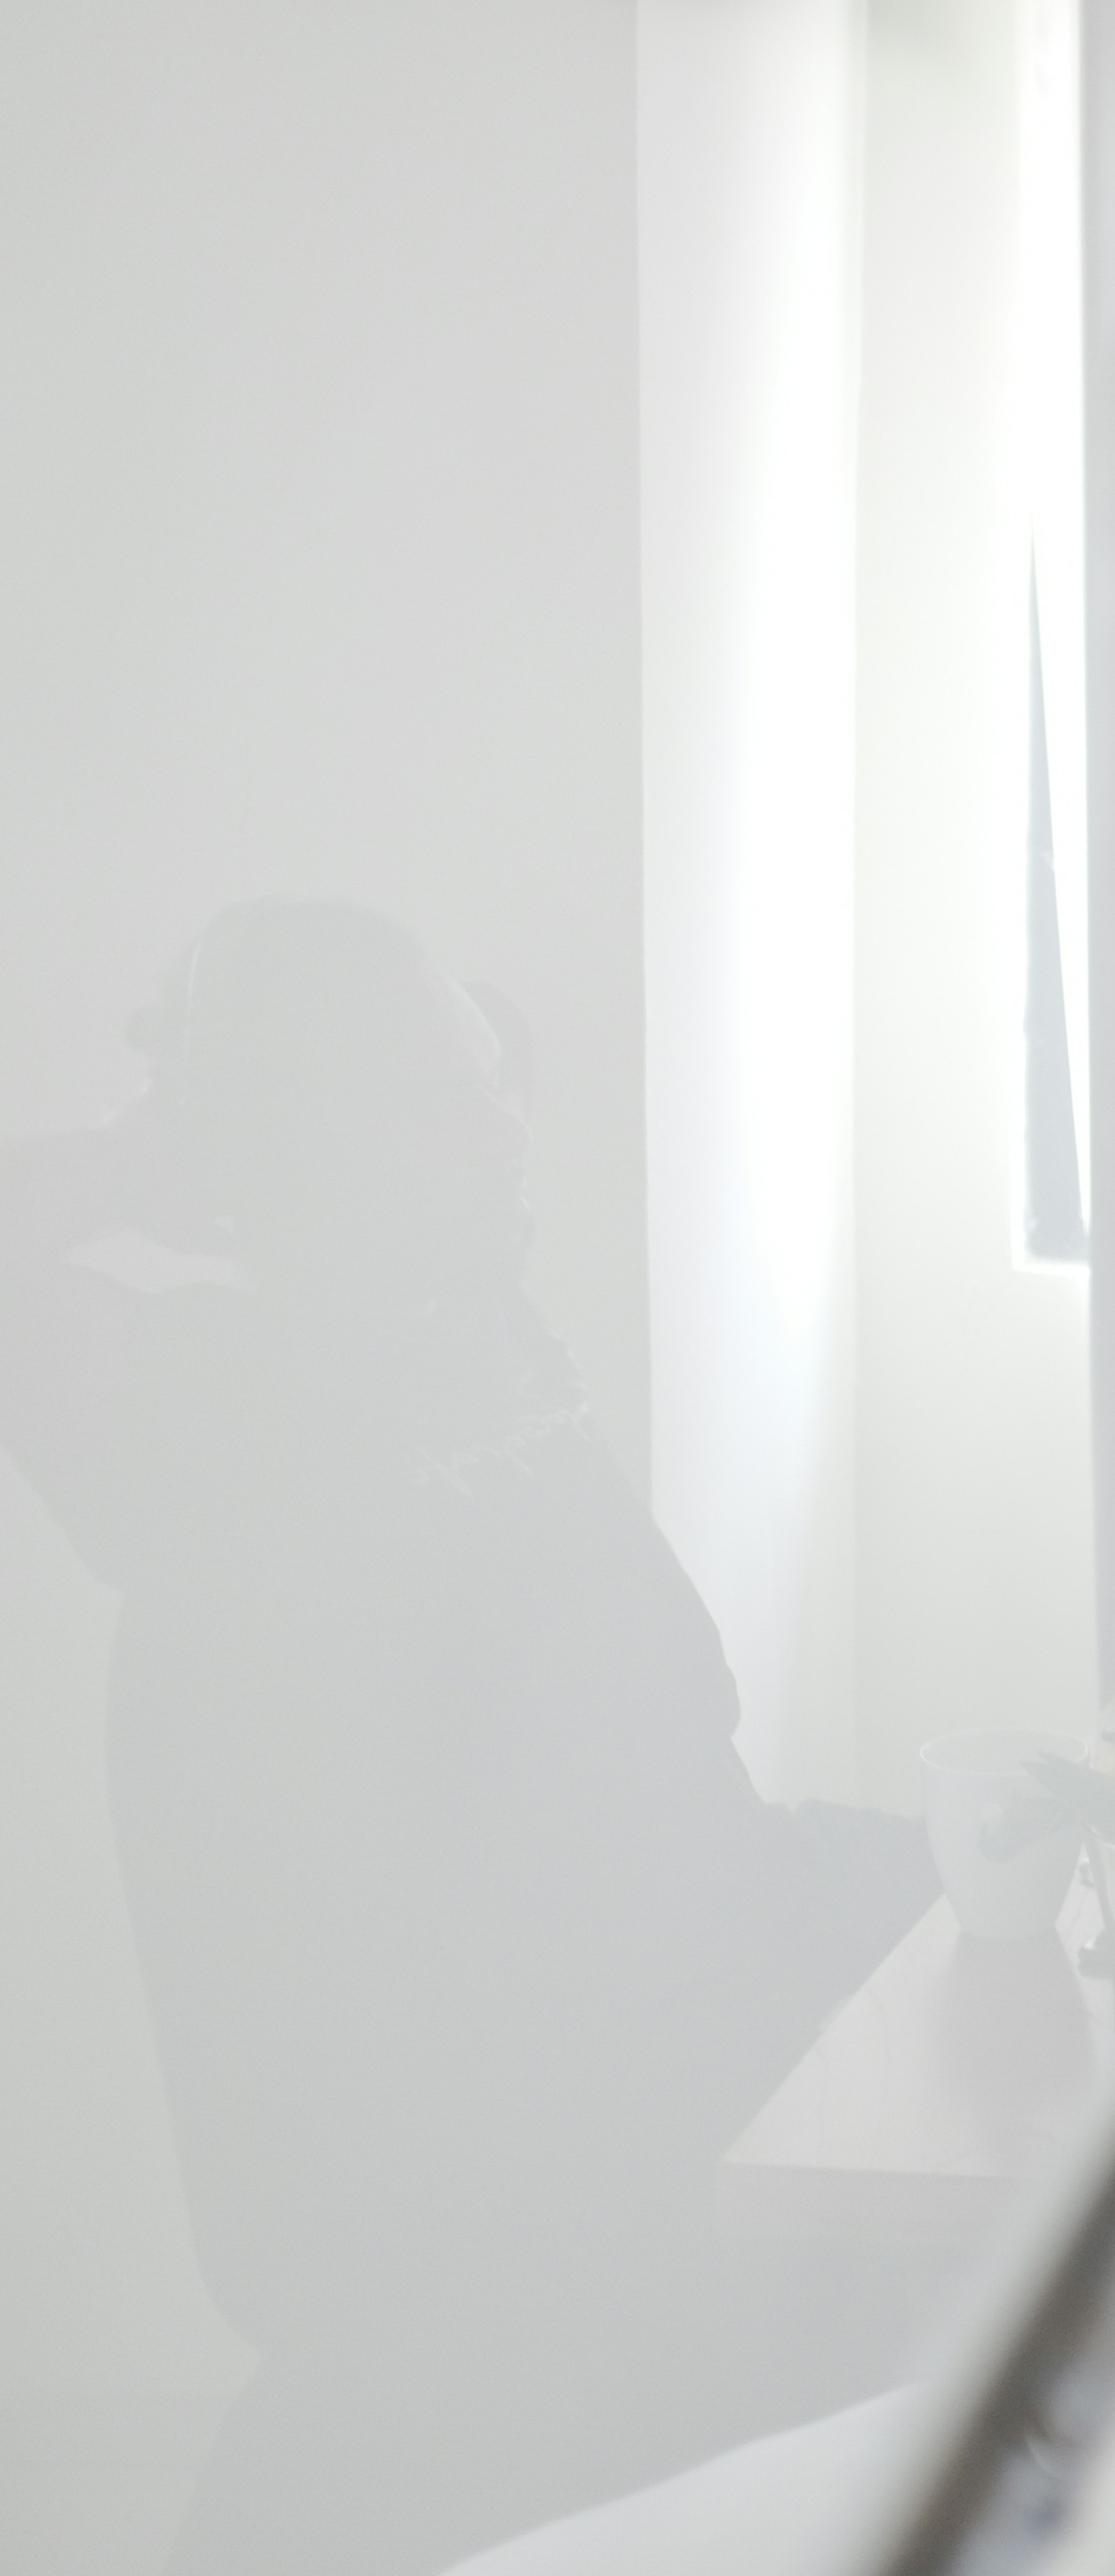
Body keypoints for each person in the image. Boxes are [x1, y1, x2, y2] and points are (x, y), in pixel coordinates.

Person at [0, 901, 937, 2574]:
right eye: (443, 1085)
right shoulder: (205, 1417)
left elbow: (648, 1790)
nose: (505, 1110)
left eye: (486, 1069)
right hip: (529, 2204)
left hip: (670, 2025)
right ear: (320, 1143)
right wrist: (164, 1162)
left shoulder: (470, 1346)